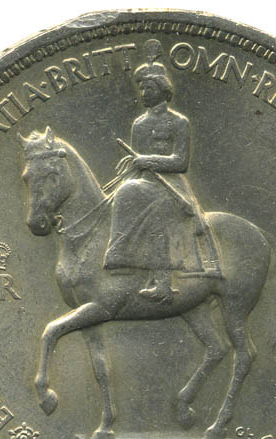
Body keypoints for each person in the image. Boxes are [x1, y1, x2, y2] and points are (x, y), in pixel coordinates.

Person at [103, 39, 207, 304]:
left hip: (171, 186)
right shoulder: (139, 124)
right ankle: (121, 256)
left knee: (154, 210)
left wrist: (146, 160)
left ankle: (163, 283)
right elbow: (137, 161)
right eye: (141, 87)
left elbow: (180, 162)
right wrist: (130, 167)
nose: (143, 92)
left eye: (148, 87)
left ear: (162, 89)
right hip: (145, 183)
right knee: (121, 193)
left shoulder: (178, 122)